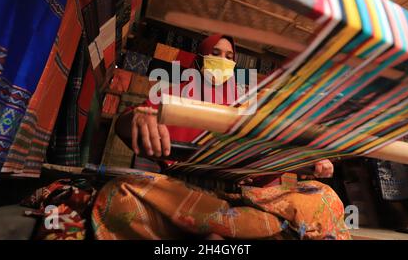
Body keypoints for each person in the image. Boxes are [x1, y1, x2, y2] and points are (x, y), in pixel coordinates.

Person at [91, 34, 349, 240]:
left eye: (229, 56)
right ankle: (233, 227)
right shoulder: (174, 95)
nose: (223, 61)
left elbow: (265, 159)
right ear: (200, 58)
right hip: (182, 193)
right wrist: (135, 118)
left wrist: (303, 161)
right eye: (215, 54)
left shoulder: (246, 104)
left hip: (239, 196)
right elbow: (127, 125)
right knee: (118, 197)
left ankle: (216, 227)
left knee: (325, 198)